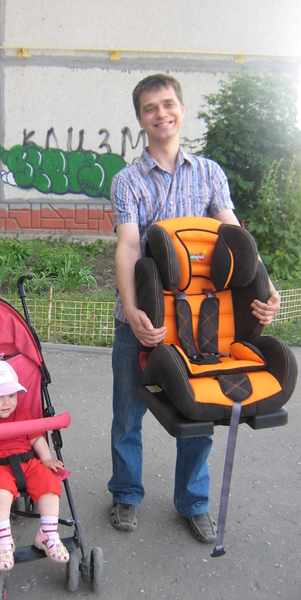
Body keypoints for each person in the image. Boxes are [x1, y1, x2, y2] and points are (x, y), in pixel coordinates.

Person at [108, 73, 281, 542]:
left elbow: (236, 237)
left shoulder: (209, 173)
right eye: (150, 108)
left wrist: (266, 287)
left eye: (168, 104)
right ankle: (126, 493)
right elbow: (128, 246)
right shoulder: (127, 181)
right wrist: (131, 309)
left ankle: (193, 502)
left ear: (182, 109)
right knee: (128, 415)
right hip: (142, 321)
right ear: (140, 118)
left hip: (198, 324)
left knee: (201, 411)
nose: (161, 114)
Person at [0, 357, 69, 570]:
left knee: (49, 484)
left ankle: (48, 534)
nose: (7, 402)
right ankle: (4, 543)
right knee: (0, 493)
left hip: (27, 462)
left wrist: (46, 459)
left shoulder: (22, 414)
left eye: (11, 395)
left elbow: (36, 439)